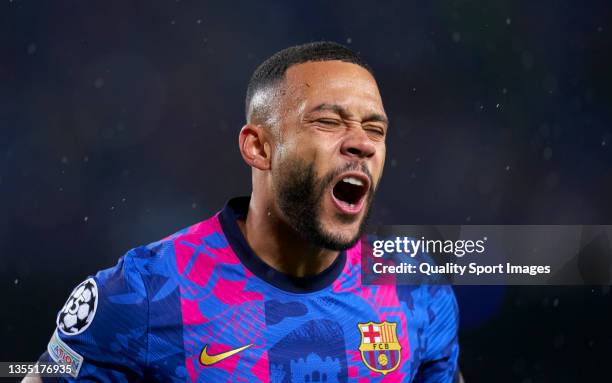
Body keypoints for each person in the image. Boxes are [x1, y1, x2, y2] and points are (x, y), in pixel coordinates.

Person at [27, 41, 460, 382]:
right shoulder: (141, 294)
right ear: (259, 147)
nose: (362, 142)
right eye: (328, 122)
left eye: (374, 128)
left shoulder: (417, 290)